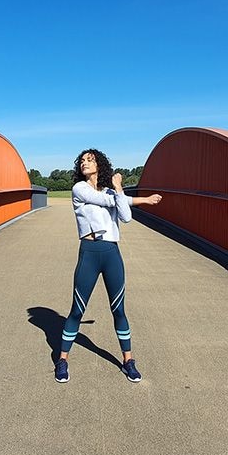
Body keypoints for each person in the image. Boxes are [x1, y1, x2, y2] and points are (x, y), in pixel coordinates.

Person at [55, 149, 162, 384]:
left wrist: (122, 191)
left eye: (89, 160)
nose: (84, 163)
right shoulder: (79, 189)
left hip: (112, 253)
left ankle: (128, 361)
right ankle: (62, 359)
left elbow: (126, 217)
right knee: (77, 310)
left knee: (119, 309)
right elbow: (107, 201)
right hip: (90, 252)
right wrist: (130, 196)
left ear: (99, 164)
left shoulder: (112, 192)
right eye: (82, 161)